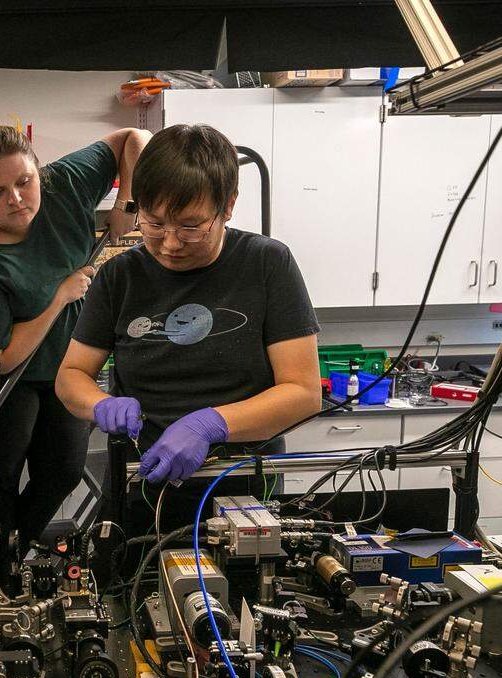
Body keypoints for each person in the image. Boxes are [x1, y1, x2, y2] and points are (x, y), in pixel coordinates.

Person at [55, 124, 320, 524]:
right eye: (154, 223)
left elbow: (302, 393)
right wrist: (100, 403)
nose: (171, 242)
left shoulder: (267, 264)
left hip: (242, 483)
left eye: (191, 226)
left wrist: (212, 423)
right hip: (143, 480)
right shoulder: (119, 277)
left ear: (228, 206)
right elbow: (71, 375)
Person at [0, 125, 150, 563]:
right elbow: (0, 360)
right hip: (5, 382)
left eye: (24, 182)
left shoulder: (66, 181)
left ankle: (12, 554)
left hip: (63, 369)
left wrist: (126, 202)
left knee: (64, 469)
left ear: (39, 170)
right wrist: (61, 295)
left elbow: (134, 138)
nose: (16, 199)